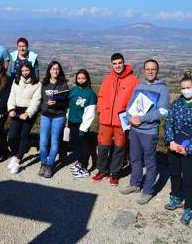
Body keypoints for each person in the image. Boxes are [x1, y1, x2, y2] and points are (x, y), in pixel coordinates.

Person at [119, 59, 170, 205]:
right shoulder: (139, 87)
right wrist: (130, 118)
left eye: (153, 69)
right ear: (144, 70)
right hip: (135, 130)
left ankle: (147, 191)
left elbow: (162, 111)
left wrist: (141, 119)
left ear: (157, 71)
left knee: (150, 162)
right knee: (134, 158)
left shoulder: (163, 90)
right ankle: (135, 184)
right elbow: (129, 105)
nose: (150, 71)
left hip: (149, 131)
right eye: (147, 69)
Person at [164, 71, 192, 226]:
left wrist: (188, 149)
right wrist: (170, 141)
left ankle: (190, 207)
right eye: (183, 88)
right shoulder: (176, 103)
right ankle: (175, 197)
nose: (185, 90)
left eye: (188, 87)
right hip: (174, 146)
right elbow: (169, 122)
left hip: (191, 149)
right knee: (175, 174)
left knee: (189, 180)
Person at [93, 53, 139, 186]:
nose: (118, 66)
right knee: (102, 147)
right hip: (106, 120)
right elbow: (100, 96)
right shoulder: (107, 79)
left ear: (124, 62)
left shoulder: (133, 80)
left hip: (122, 122)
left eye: (120, 63)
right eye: (115, 63)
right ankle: (102, 170)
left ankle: (114, 173)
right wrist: (101, 111)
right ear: (111, 65)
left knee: (119, 148)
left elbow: (137, 101)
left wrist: (130, 116)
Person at [7, 62, 42, 174]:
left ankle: (18, 161)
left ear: (31, 70)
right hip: (16, 111)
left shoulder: (37, 83)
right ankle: (15, 154)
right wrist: (11, 109)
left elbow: (36, 101)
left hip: (28, 112)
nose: (25, 72)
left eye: (27, 70)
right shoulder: (16, 81)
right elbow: (12, 96)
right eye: (23, 71)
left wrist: (28, 113)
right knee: (12, 136)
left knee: (23, 136)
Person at [39, 61, 69, 178]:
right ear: (49, 71)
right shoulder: (44, 84)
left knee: (55, 142)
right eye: (53, 69)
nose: (55, 71)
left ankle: (50, 165)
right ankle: (43, 163)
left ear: (60, 70)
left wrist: (57, 103)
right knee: (43, 141)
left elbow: (66, 102)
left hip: (59, 116)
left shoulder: (63, 85)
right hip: (45, 115)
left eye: (57, 69)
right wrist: (47, 104)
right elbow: (40, 101)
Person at [67, 69, 97, 178]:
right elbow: (69, 106)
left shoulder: (90, 94)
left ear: (87, 79)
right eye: (79, 78)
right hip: (72, 122)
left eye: (83, 78)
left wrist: (84, 128)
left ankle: (84, 167)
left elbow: (90, 113)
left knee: (84, 145)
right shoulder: (74, 90)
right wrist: (67, 119)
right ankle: (80, 163)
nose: (81, 80)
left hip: (81, 124)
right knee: (77, 145)